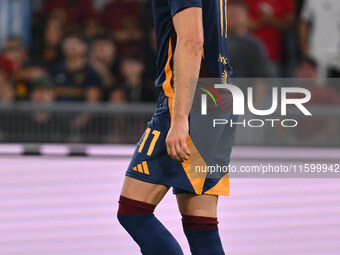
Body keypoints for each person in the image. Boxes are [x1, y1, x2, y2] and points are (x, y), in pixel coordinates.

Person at [117, 1, 237, 254]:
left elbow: (193, 41)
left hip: (190, 101)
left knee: (133, 212)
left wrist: (180, 118)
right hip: (217, 99)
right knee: (201, 227)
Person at [50, 32, 102, 102]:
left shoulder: (90, 72)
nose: (70, 46)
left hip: (80, 112)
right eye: (67, 42)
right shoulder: (55, 69)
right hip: (56, 112)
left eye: (75, 42)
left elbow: (92, 102)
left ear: (84, 46)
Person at [299, 0, 340, 77]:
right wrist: (304, 46)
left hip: (337, 53)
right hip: (317, 52)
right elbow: (304, 21)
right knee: (318, 86)